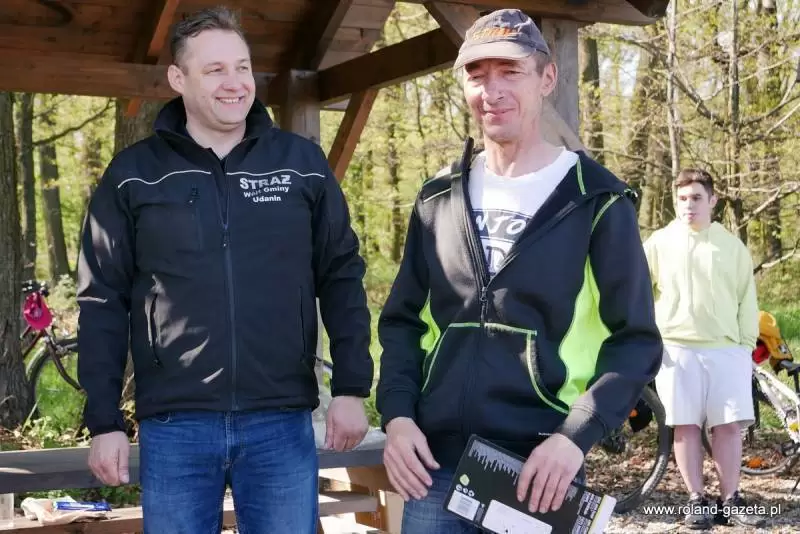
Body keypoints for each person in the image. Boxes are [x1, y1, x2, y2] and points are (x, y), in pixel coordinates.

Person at [76, 6, 373, 533]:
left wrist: (351, 388)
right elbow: (102, 299)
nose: (235, 83)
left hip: (281, 420)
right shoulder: (133, 175)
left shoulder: (301, 164)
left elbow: (341, 275)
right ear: (178, 78)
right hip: (176, 424)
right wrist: (104, 420)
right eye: (215, 70)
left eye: (242, 67)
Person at [375, 9, 663, 532]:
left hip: (541, 467)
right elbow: (401, 322)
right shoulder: (437, 198)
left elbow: (636, 340)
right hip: (434, 469)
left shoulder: (596, 199)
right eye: (477, 74)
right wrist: (396, 417)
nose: (492, 90)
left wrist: (575, 437)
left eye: (510, 71)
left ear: (547, 78)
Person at [643, 169, 765, 529]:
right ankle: (696, 499)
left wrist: (745, 348)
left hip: (727, 350)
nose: (688, 205)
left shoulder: (732, 246)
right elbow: (638, 292)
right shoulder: (659, 243)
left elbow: (747, 299)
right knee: (685, 427)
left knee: (728, 428)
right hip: (676, 349)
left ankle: (731, 500)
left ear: (712, 200)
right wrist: (648, 337)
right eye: (682, 198)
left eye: (696, 197)